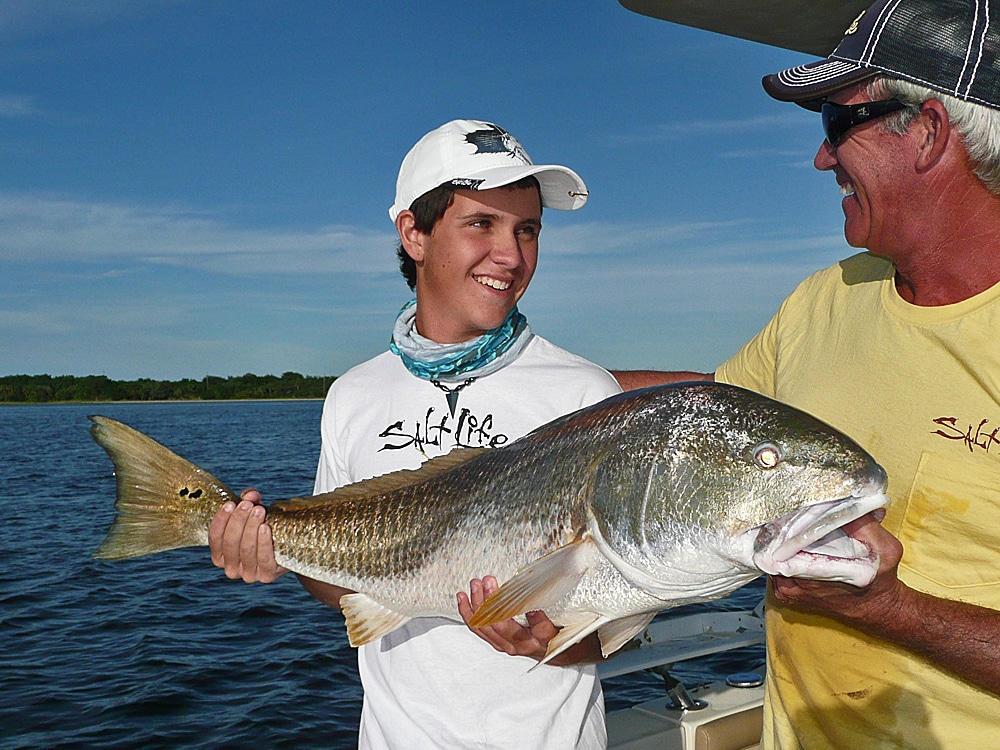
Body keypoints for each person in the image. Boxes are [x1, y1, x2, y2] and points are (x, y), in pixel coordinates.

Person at [617, 0, 1000, 746]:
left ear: (927, 133)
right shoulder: (825, 298)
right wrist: (514, 379)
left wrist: (889, 610)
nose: (822, 159)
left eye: (837, 123)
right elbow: (706, 410)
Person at [209, 119, 622, 749]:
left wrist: (552, 647)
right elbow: (344, 586)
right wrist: (272, 552)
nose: (511, 255)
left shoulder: (586, 397)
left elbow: (614, 625)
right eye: (481, 223)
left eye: (528, 229)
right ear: (414, 234)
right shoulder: (354, 394)